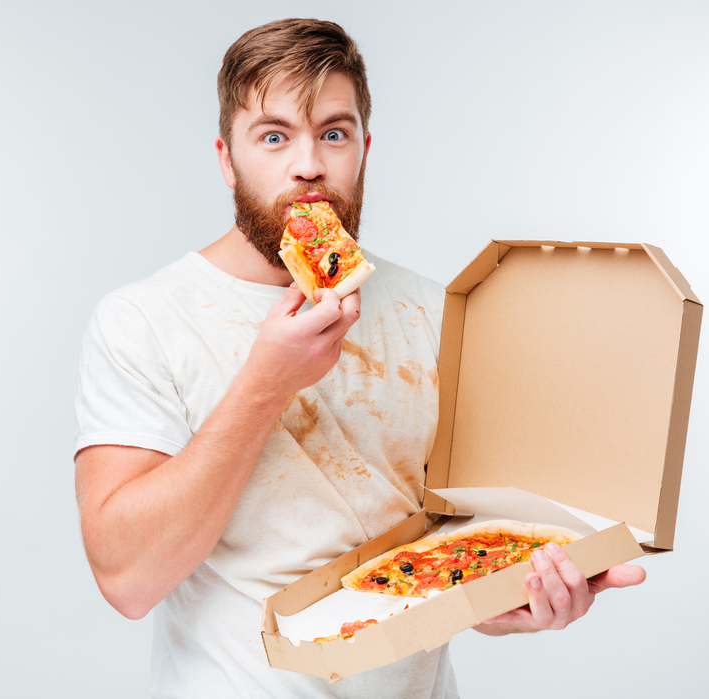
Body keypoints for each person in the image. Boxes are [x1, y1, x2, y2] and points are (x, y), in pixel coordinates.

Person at [73, 18, 645, 698]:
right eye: (275, 135)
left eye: (333, 133)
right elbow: (127, 579)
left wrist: (510, 597)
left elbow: (456, 541)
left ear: (364, 151)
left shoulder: (435, 312)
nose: (308, 164)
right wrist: (265, 382)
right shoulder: (142, 320)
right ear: (227, 157)